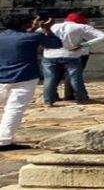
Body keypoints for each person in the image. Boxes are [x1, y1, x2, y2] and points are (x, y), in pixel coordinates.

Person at [0, 13, 62, 150]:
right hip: (24, 77)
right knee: (14, 109)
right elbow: (56, 44)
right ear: (26, 24)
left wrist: (32, 29)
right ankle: (3, 140)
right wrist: (46, 29)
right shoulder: (34, 36)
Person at [42, 12, 104, 106]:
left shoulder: (52, 26)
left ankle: (48, 100)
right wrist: (83, 45)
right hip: (71, 54)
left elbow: (35, 34)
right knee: (75, 78)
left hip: (50, 55)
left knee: (50, 78)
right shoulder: (82, 27)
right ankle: (82, 98)